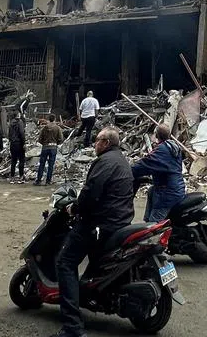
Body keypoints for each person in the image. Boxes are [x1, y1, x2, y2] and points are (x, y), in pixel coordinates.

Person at [54, 127, 134, 337]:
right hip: (120, 221)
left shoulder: (104, 162)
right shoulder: (122, 160)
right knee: (95, 264)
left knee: (65, 262)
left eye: (97, 140)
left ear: (106, 143)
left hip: (99, 224)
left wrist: (75, 208)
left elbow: (91, 193)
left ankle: (72, 327)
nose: (94, 143)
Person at [131, 123, 186, 222]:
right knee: (151, 191)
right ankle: (147, 221)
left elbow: (146, 164)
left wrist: (129, 170)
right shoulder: (173, 146)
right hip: (176, 187)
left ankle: (153, 225)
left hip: (167, 192)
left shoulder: (162, 150)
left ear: (156, 135)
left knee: (155, 223)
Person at [35, 114, 62, 186]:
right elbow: (60, 138)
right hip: (53, 148)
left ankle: (38, 180)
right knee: (51, 165)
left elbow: (40, 138)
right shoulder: (57, 128)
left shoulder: (45, 128)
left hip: (45, 147)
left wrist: (44, 143)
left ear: (48, 119)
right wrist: (56, 143)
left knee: (42, 164)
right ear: (55, 119)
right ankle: (48, 181)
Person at [8, 113, 26, 183]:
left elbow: (9, 134)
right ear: (18, 115)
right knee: (21, 160)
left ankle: (12, 177)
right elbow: (21, 133)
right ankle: (21, 177)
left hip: (13, 144)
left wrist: (11, 140)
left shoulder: (11, 123)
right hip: (19, 143)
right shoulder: (20, 122)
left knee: (13, 160)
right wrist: (23, 143)